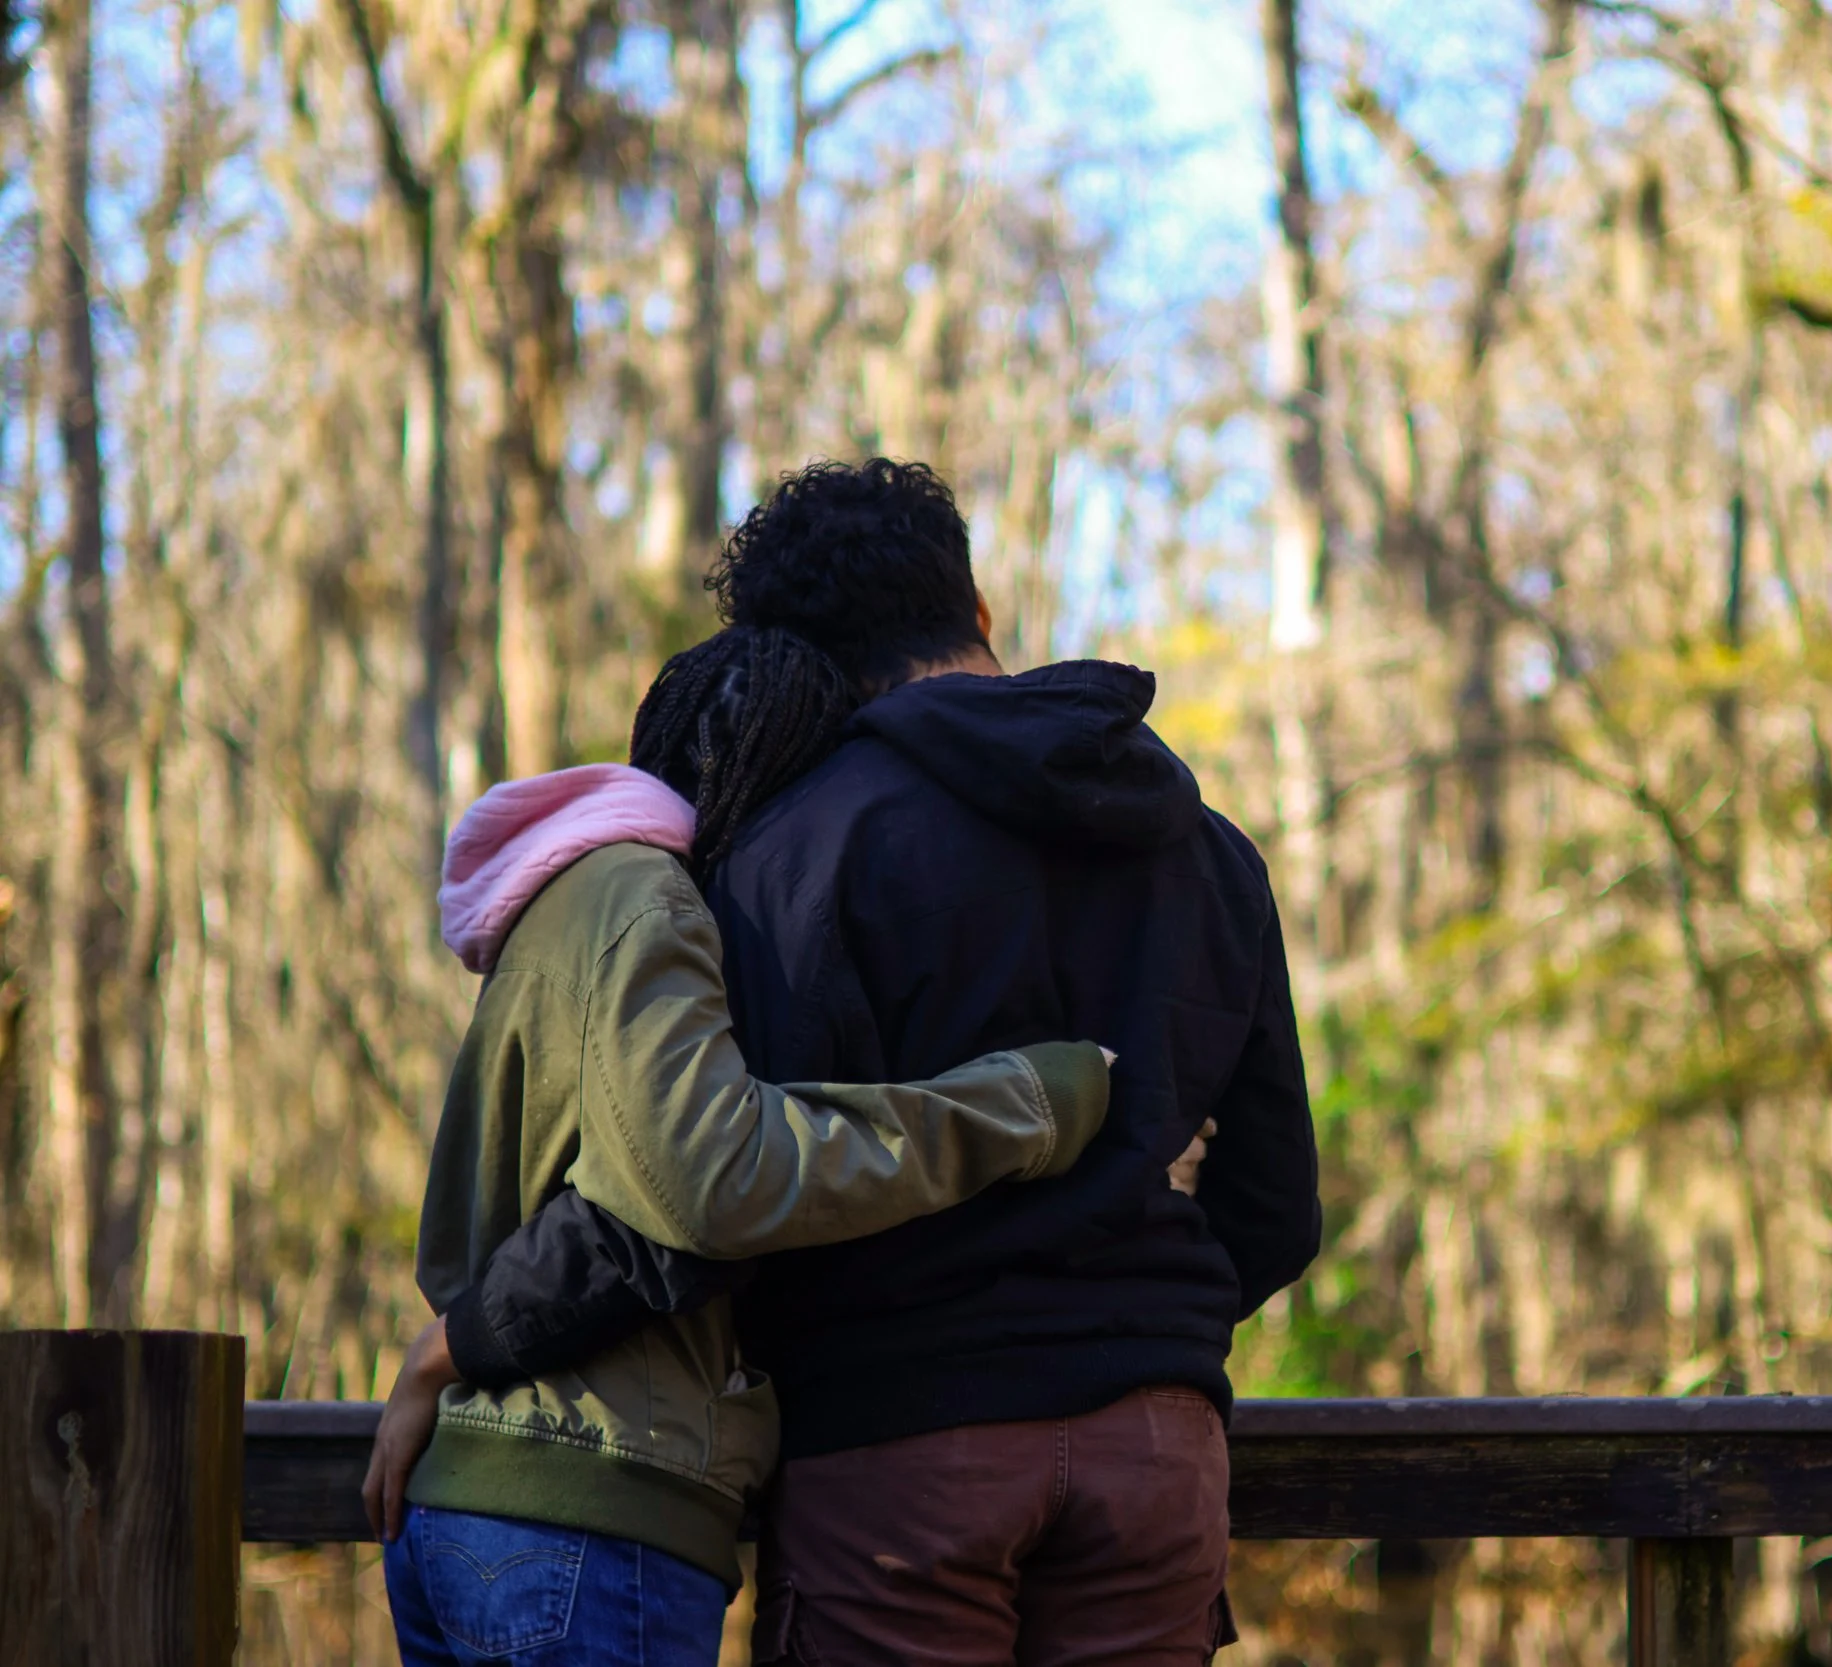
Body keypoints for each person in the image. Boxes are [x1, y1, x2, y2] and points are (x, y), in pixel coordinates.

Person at [457, 457, 1323, 1665]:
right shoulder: (1212, 851)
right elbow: (1276, 1207)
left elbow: (702, 1195)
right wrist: (1127, 1326)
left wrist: (474, 1328)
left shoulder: (799, 854)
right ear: (976, 612)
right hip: (1158, 1453)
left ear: (802, 658)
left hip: (900, 1452)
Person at [372, 624, 1122, 1667]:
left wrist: (445, 1350)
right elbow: (708, 1180)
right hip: (589, 1511)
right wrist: (1029, 1104)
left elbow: (614, 1188)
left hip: (490, 1505)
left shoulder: (572, 896)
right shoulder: (650, 899)